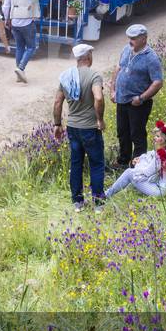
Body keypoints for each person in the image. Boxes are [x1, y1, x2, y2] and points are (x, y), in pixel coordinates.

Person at [53, 43, 106, 212]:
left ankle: (77, 202)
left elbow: (57, 102)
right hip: (90, 127)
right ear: (89, 56)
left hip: (73, 127)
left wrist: (57, 124)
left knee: (76, 163)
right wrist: (100, 119)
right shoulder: (94, 76)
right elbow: (98, 98)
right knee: (96, 163)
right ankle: (98, 203)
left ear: (77, 58)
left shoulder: (66, 76)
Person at [111, 24, 164, 169]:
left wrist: (141, 98)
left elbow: (157, 82)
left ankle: (138, 165)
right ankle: (123, 161)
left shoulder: (151, 58)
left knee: (137, 134)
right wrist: (113, 89)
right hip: (122, 99)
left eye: (134, 38)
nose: (130, 41)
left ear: (144, 39)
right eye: (129, 37)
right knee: (122, 132)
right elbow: (118, 68)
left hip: (138, 103)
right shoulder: (126, 49)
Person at [106, 120, 166, 199]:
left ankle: (106, 195)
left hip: (162, 191)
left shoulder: (162, 155)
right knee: (136, 175)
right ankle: (120, 191)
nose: (154, 138)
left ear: (165, 139)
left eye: (158, 136)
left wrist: (138, 164)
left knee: (129, 173)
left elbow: (147, 172)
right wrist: (141, 159)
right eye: (155, 135)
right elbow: (150, 154)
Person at [2, 0, 49, 83]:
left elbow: (6, 5)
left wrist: (7, 18)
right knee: (31, 47)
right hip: (28, 20)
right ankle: (21, 68)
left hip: (14, 19)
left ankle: (19, 72)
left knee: (19, 47)